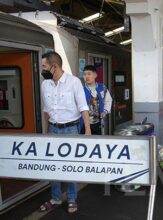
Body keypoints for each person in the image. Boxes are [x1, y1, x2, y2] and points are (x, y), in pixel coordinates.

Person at [39, 51, 91, 214]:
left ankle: (71, 198)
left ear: (54, 67)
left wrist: (87, 130)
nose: (43, 69)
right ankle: (55, 198)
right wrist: (47, 130)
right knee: (52, 166)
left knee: (70, 166)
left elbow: (83, 107)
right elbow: (47, 110)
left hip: (71, 129)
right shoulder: (45, 84)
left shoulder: (74, 82)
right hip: (53, 129)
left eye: (44, 66)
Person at [81, 65, 113, 135]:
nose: (87, 77)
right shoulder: (81, 90)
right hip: (83, 123)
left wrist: (105, 111)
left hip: (98, 123)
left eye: (89, 74)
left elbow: (108, 100)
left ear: (95, 75)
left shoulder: (102, 87)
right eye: (85, 74)